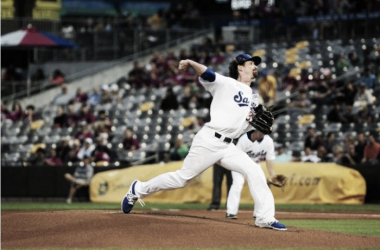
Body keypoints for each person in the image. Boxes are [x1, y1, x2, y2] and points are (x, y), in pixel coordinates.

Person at [121, 53, 287, 230]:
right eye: (251, 63)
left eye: (256, 64)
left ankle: (265, 217)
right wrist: (191, 62)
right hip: (209, 140)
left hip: (228, 145)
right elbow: (207, 74)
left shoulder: (253, 99)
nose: (255, 66)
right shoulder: (226, 83)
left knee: (254, 170)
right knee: (181, 179)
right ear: (240, 67)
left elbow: (247, 135)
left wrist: (260, 132)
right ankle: (137, 189)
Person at [226, 131, 277, 219]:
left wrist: (272, 175)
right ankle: (231, 212)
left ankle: (258, 213)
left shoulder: (269, 141)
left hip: (255, 165)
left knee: (261, 185)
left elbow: (269, 159)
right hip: (239, 164)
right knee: (238, 184)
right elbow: (236, 155)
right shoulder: (245, 139)